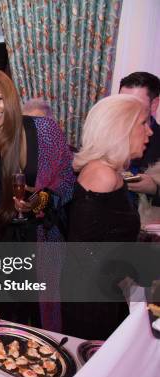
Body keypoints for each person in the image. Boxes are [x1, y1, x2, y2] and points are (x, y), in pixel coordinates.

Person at [0, 70, 75, 330]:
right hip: (2, 255)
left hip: (43, 245)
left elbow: (68, 181)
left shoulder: (43, 130)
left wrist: (41, 199)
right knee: (1, 331)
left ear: (10, 99)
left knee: (43, 329)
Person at [62, 94, 153, 340]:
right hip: (90, 302)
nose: (150, 132)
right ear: (121, 129)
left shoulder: (109, 172)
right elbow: (83, 252)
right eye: (143, 123)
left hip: (101, 293)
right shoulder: (102, 175)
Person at [119, 72, 160, 204]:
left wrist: (155, 189)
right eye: (122, 102)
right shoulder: (106, 134)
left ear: (154, 104)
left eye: (135, 103)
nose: (126, 109)